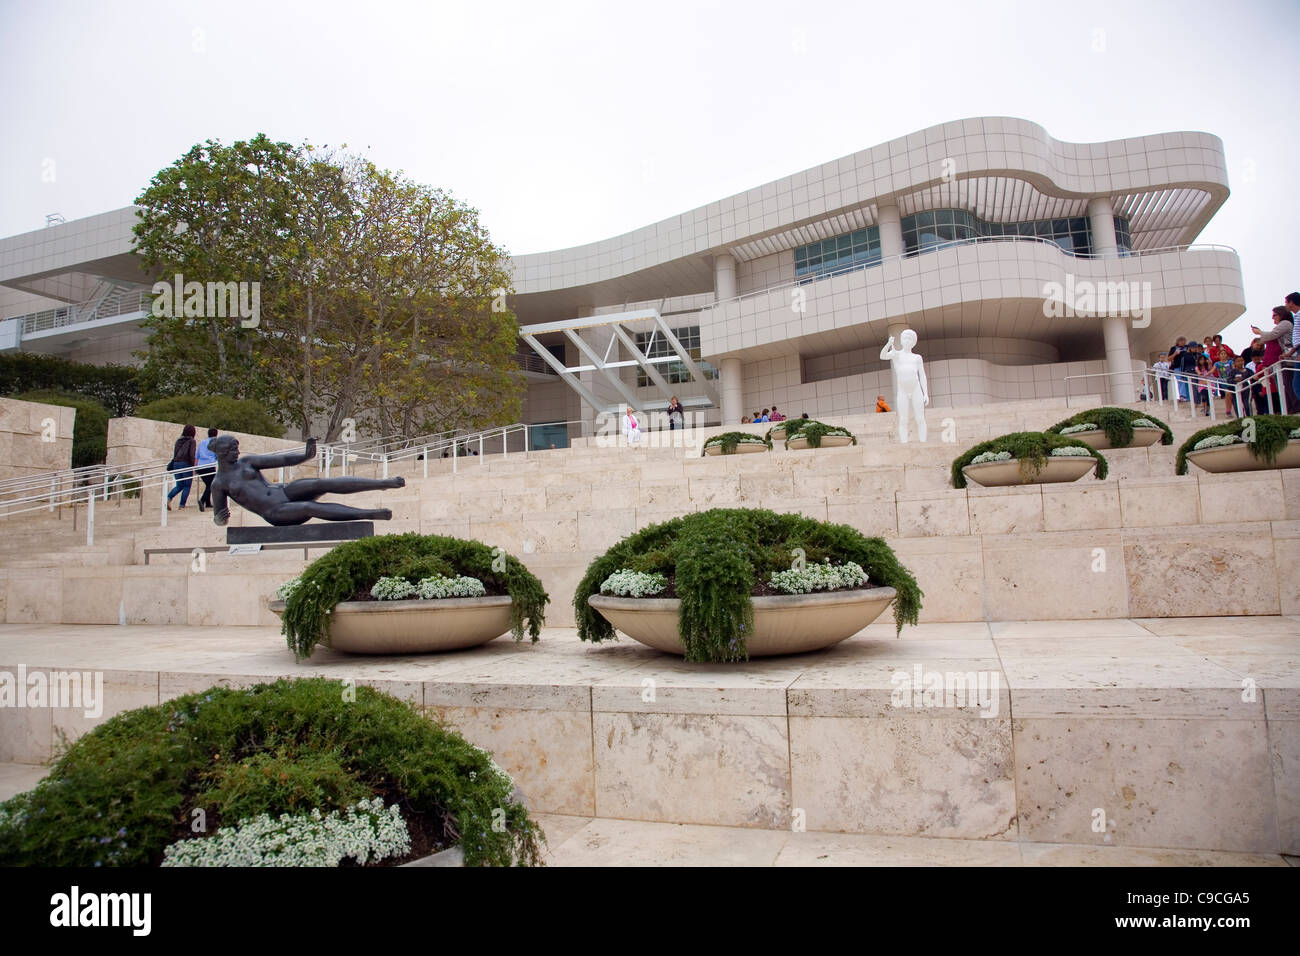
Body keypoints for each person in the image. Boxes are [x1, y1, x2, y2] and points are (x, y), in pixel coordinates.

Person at [208, 436, 401, 526]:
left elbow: (281, 460)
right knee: (310, 507)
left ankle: (383, 483)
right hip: (274, 512)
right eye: (233, 450)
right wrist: (221, 517)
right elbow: (219, 517)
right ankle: (369, 514)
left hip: (283, 492)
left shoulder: (246, 462)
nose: (238, 452)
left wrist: (305, 456)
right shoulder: (219, 484)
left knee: (319, 483)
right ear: (222, 453)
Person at [1253, 305, 1295, 413]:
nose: (1273, 318)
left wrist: (1260, 332)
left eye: (1274, 315)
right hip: (1284, 358)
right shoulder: (1284, 324)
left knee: (1289, 385)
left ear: (1281, 314)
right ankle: (1290, 408)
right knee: (1286, 385)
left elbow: (1272, 335)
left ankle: (1294, 407)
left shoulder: (1285, 323)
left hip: (1289, 358)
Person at [166, 424, 197, 511]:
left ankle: (168, 498)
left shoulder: (178, 440)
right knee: (187, 486)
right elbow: (192, 454)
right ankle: (182, 505)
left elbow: (175, 453)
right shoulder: (192, 441)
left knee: (179, 485)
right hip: (186, 464)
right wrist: (193, 466)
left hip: (176, 464)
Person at [195, 427, 219, 512]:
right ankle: (202, 501)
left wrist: (195, 468)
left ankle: (208, 503)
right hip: (209, 466)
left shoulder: (202, 443)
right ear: (216, 434)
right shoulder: (216, 443)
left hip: (200, 467)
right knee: (212, 485)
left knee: (209, 484)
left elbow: (197, 456)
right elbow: (217, 455)